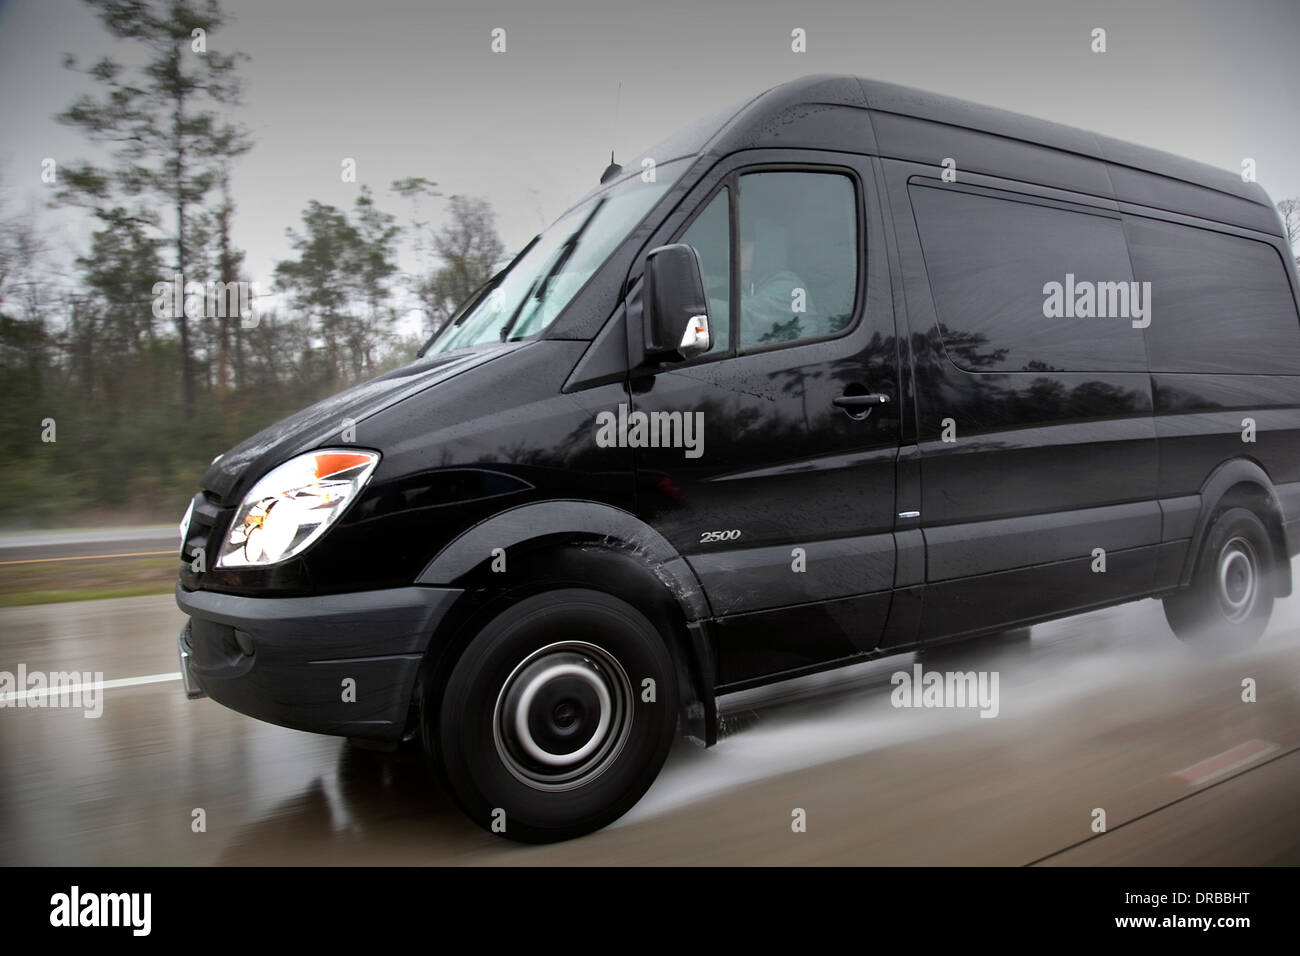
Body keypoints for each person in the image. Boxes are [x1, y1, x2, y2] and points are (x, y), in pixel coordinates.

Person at [738, 215, 812, 345]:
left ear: (764, 251)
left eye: (743, 248)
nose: (732, 253)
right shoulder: (750, 285)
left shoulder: (790, 287)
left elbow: (744, 316)